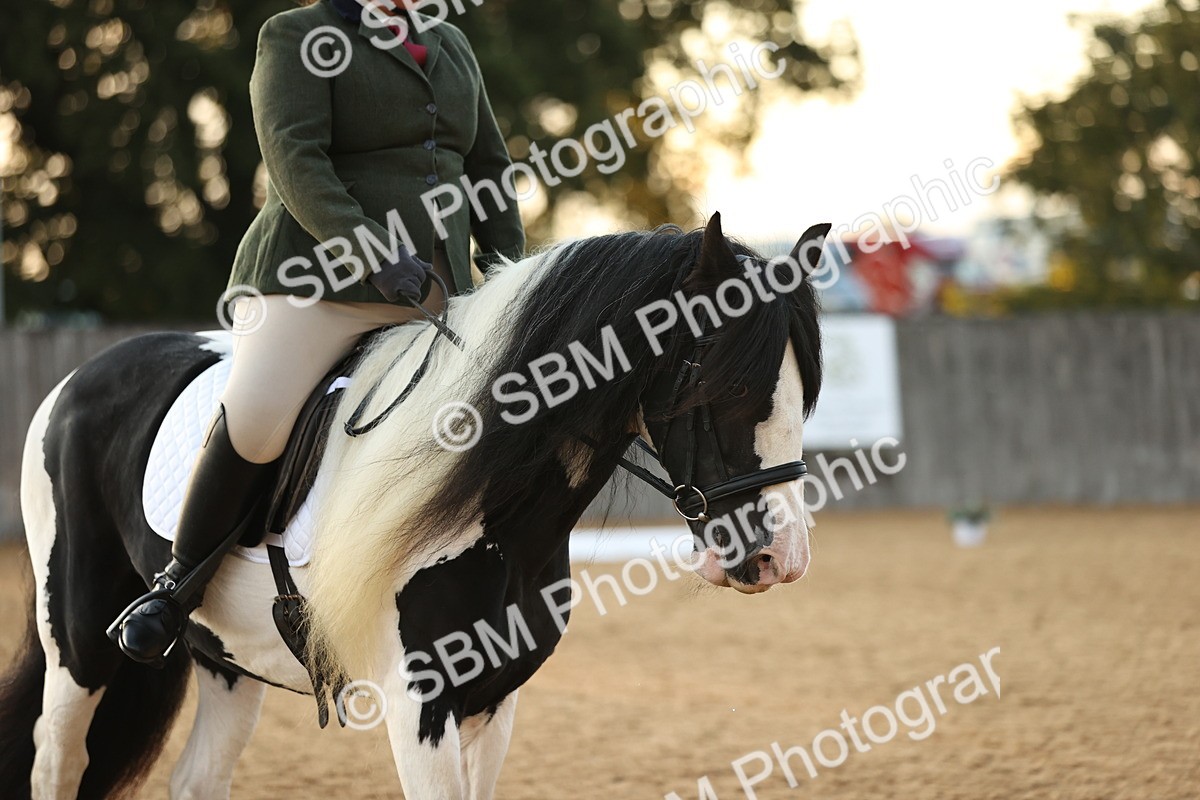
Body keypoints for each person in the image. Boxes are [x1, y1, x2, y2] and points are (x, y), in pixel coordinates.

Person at [110, 0, 524, 665]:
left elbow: (490, 169)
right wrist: (373, 252)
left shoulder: (448, 42)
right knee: (259, 418)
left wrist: (508, 272)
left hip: (438, 288)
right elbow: (295, 160)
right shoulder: (298, 35)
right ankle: (176, 584)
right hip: (314, 280)